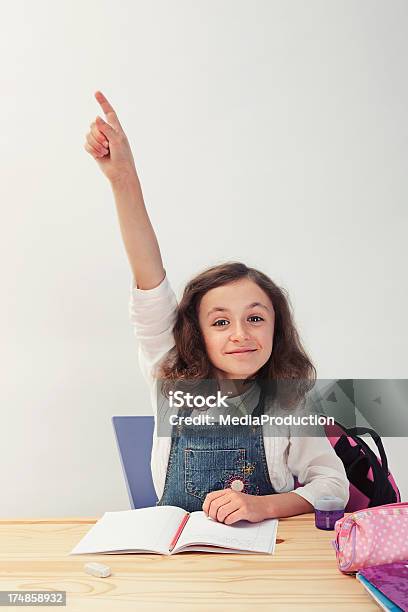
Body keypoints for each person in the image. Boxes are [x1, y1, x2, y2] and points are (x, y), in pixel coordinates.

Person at [84, 90, 349, 524]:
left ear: (275, 330)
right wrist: (123, 179)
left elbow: (332, 485)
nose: (240, 333)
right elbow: (150, 281)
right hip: (180, 560)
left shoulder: (287, 401)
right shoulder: (167, 371)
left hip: (266, 556)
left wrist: (264, 506)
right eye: (221, 321)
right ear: (196, 334)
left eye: (255, 318)